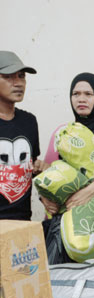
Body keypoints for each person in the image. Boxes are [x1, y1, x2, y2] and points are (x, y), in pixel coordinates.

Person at [40, 73, 94, 228]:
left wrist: (88, 192)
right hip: (65, 218)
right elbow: (47, 171)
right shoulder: (62, 132)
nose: (81, 99)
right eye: (76, 94)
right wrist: (46, 199)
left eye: (88, 94)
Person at [0, 51, 40, 221]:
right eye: (8, 77)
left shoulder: (29, 121)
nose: (18, 83)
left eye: (21, 76)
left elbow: (31, 169)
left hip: (23, 222)